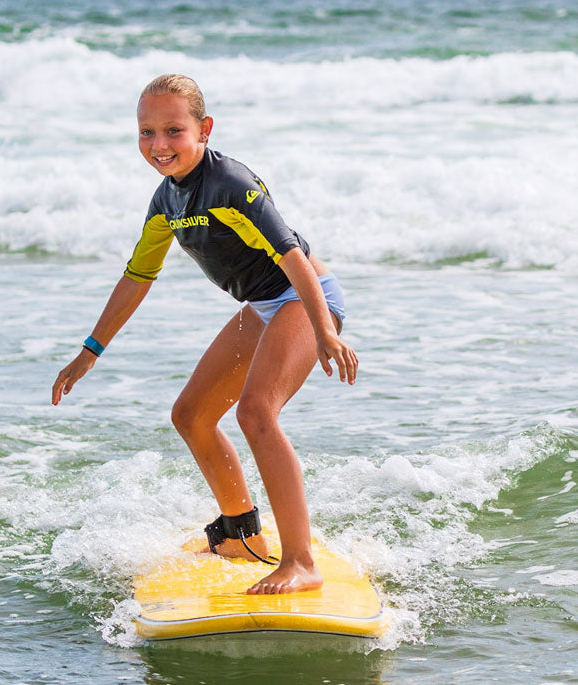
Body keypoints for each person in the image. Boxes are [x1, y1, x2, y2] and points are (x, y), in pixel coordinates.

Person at [51, 74, 358, 595]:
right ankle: (240, 534)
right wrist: (90, 351)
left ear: (204, 129)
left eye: (173, 130)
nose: (159, 145)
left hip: (306, 299)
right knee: (190, 414)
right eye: (147, 133)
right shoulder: (166, 201)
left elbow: (292, 255)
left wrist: (325, 330)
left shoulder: (231, 184)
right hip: (263, 305)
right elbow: (137, 276)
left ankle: (302, 562)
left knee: (256, 412)